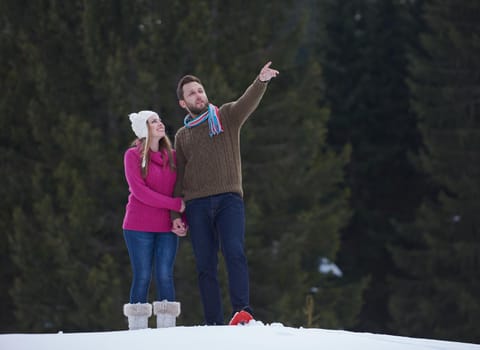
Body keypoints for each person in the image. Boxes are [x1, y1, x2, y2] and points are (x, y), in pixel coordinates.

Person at [172, 62, 279, 325]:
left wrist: (261, 81)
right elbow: (179, 176)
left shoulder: (226, 117)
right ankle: (213, 323)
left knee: (234, 251)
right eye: (191, 93)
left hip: (228, 199)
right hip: (196, 204)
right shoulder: (182, 136)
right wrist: (176, 212)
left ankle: (242, 312)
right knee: (205, 265)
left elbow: (247, 101)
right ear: (183, 103)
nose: (198, 95)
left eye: (200, 90)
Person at [122, 110, 187, 330]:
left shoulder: (174, 157)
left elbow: (179, 190)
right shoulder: (132, 156)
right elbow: (140, 192)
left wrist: (181, 219)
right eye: (153, 122)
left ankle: (167, 331)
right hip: (138, 226)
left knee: (164, 275)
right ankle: (138, 332)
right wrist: (175, 205)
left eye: (159, 120)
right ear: (144, 130)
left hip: (166, 227)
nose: (160, 124)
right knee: (142, 275)